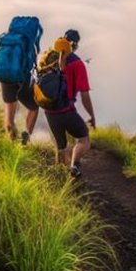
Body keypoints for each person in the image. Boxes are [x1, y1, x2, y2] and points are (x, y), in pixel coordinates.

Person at [44, 28, 96, 178]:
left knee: (60, 147)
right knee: (84, 139)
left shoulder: (48, 59)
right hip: (66, 110)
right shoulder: (78, 64)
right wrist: (92, 116)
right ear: (76, 45)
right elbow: (84, 94)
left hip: (49, 111)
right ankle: (73, 166)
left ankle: (59, 181)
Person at [2, 71, 40, 146]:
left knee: (9, 106)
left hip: (5, 73)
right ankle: (24, 142)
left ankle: (11, 143)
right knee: (34, 107)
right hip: (23, 76)